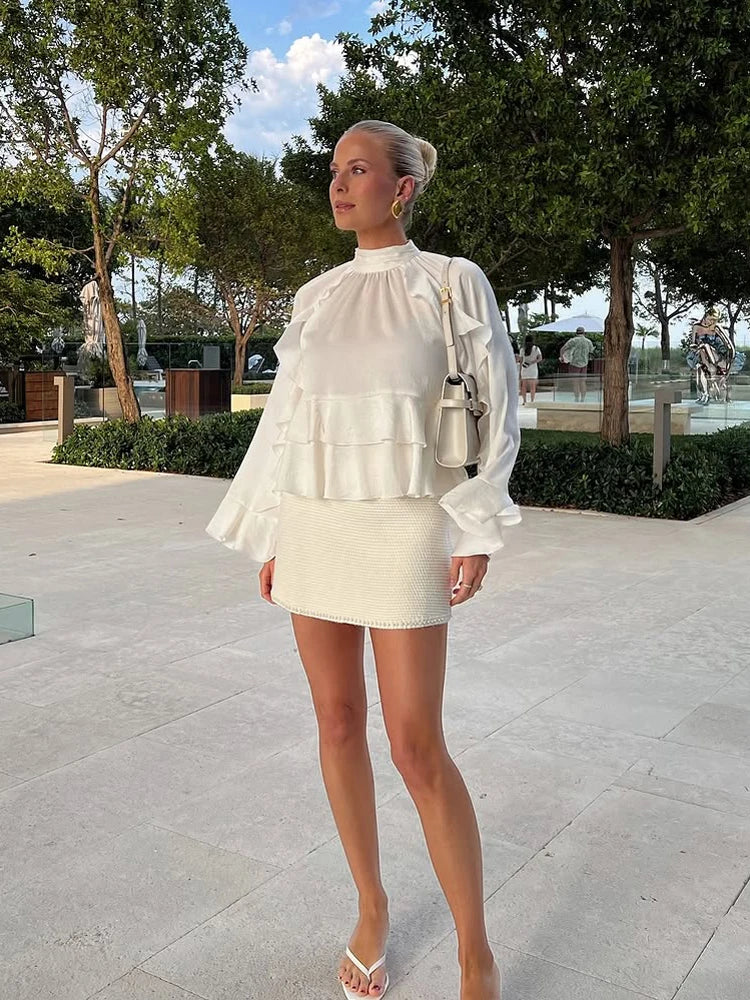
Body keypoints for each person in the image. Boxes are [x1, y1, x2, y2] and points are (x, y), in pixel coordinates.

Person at [205, 120, 521, 1000]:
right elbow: (284, 422)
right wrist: (270, 531)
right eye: (334, 172)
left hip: (407, 522)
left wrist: (476, 527)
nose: (340, 186)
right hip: (317, 522)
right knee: (336, 722)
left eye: (358, 170)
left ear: (403, 186)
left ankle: (474, 948)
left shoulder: (451, 284)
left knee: (417, 746)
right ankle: (372, 908)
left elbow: (494, 404)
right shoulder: (315, 296)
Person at [560, 326, 595, 402]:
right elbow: (591, 353)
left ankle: (576, 398)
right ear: (584, 333)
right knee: (582, 382)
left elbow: (562, 349)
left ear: (576, 333)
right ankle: (583, 398)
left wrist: (562, 357)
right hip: (584, 364)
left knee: (575, 382)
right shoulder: (588, 341)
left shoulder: (573, 341)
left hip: (574, 363)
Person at [519, 334, 542, 403]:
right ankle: (532, 400)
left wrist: (520, 372)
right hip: (533, 369)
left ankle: (524, 401)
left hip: (524, 369)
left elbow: (521, 361)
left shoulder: (522, 349)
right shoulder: (536, 348)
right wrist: (533, 362)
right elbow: (540, 358)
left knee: (524, 386)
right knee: (532, 387)